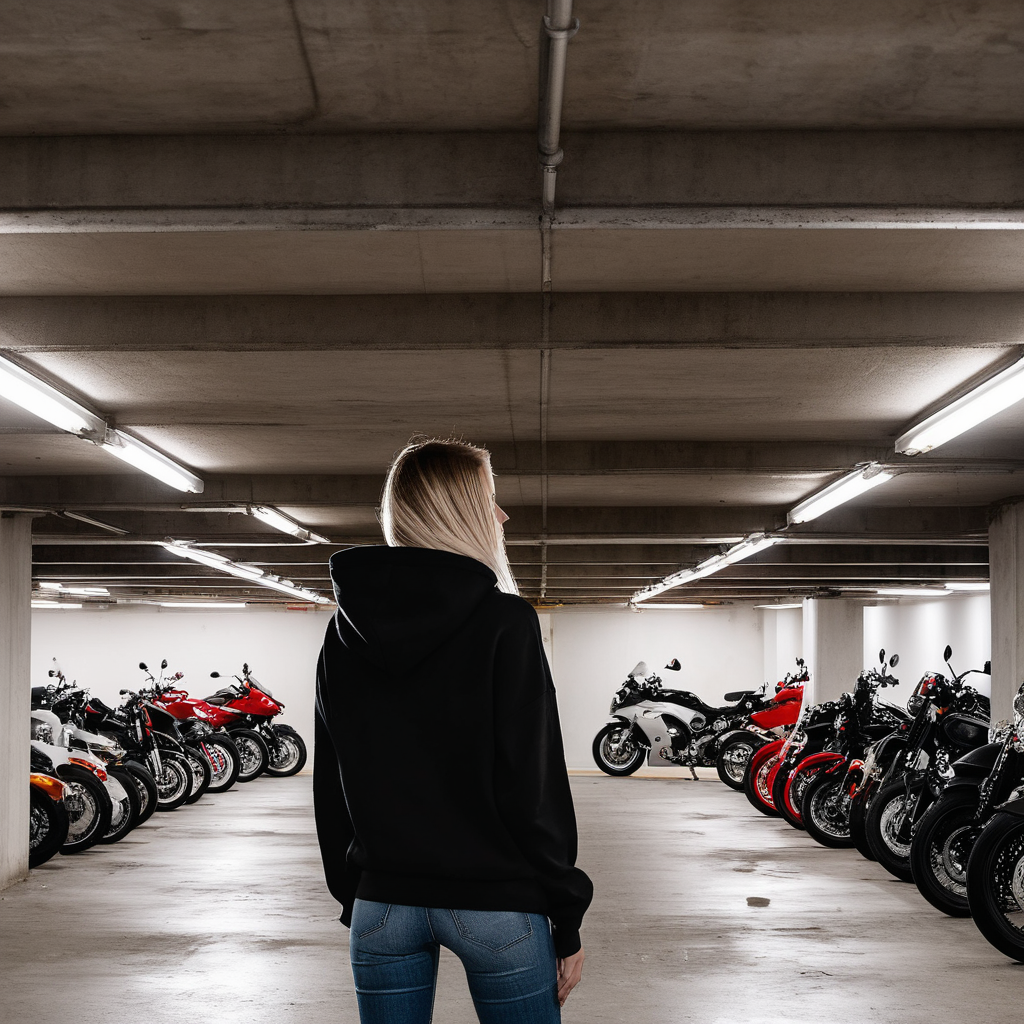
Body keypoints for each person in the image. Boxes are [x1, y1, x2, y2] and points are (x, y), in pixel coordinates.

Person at [314, 436, 593, 1024]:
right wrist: (565, 917)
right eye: (491, 498)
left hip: (382, 903)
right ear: (460, 511)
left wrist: (355, 891)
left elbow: (332, 780)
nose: (502, 515)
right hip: (496, 903)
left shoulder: (343, 632)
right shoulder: (506, 622)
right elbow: (532, 783)